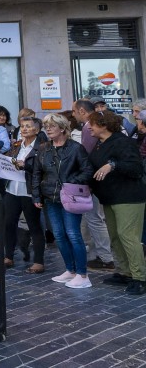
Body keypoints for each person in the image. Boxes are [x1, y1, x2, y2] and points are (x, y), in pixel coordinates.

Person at [30, 114, 94, 288]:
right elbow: (36, 173)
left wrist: (71, 183)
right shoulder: (44, 148)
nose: (48, 129)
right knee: (59, 235)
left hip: (70, 196)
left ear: (63, 128)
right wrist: (36, 196)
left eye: (52, 126)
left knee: (73, 234)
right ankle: (70, 270)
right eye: (46, 126)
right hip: (50, 197)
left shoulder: (75, 148)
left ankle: (82, 274)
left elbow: (88, 171)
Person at [85, 111, 146, 294]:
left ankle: (140, 277)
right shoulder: (100, 143)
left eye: (93, 123)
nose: (89, 127)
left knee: (128, 236)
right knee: (115, 236)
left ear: (104, 125)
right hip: (109, 196)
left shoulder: (123, 142)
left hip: (128, 196)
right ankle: (125, 272)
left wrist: (113, 165)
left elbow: (136, 168)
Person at [71, 99, 116, 270]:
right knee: (94, 218)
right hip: (99, 178)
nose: (73, 115)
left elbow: (87, 156)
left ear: (82, 111)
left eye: (74, 111)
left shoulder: (89, 126)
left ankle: (105, 257)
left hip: (96, 179)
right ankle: (98, 254)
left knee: (95, 218)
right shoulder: (92, 125)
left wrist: (86, 179)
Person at [3, 114, 46, 273]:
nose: (24, 129)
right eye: (22, 126)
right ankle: (8, 256)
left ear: (37, 129)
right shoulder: (17, 145)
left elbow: (42, 168)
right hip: (12, 188)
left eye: (28, 126)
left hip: (29, 190)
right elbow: (8, 160)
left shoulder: (42, 146)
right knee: (8, 223)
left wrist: (25, 165)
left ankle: (39, 261)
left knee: (34, 225)